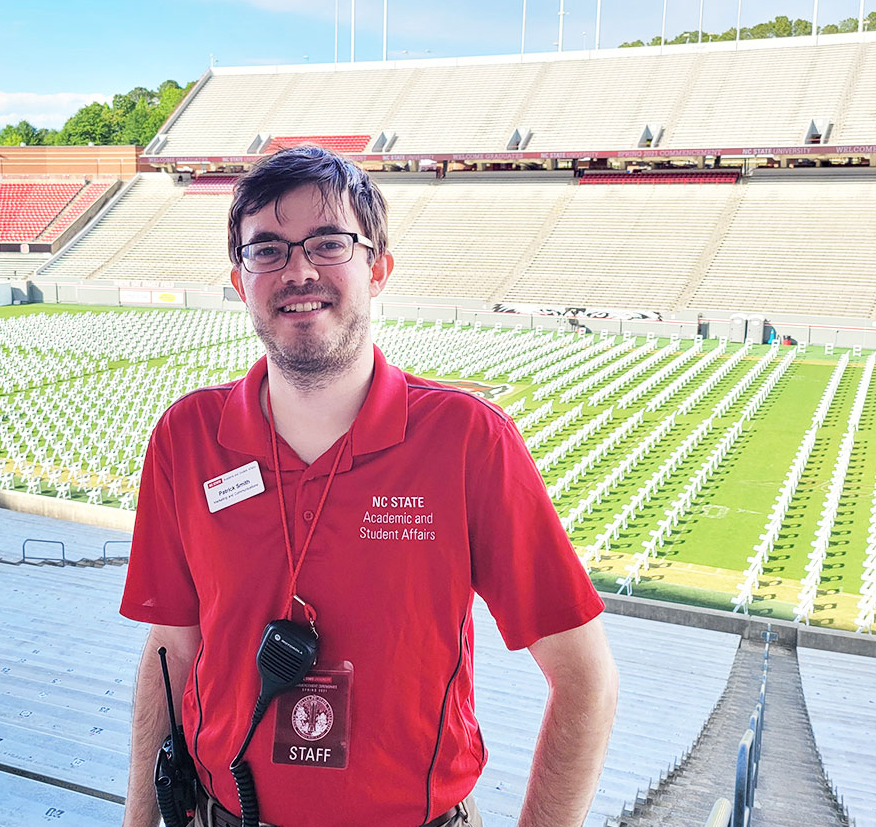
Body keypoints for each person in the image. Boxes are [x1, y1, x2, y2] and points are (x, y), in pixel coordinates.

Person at [120, 146, 617, 827]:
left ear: (377, 269)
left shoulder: (468, 441)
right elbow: (171, 652)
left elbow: (586, 679)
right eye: (266, 249)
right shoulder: (186, 438)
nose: (298, 271)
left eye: (328, 243)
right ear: (240, 281)